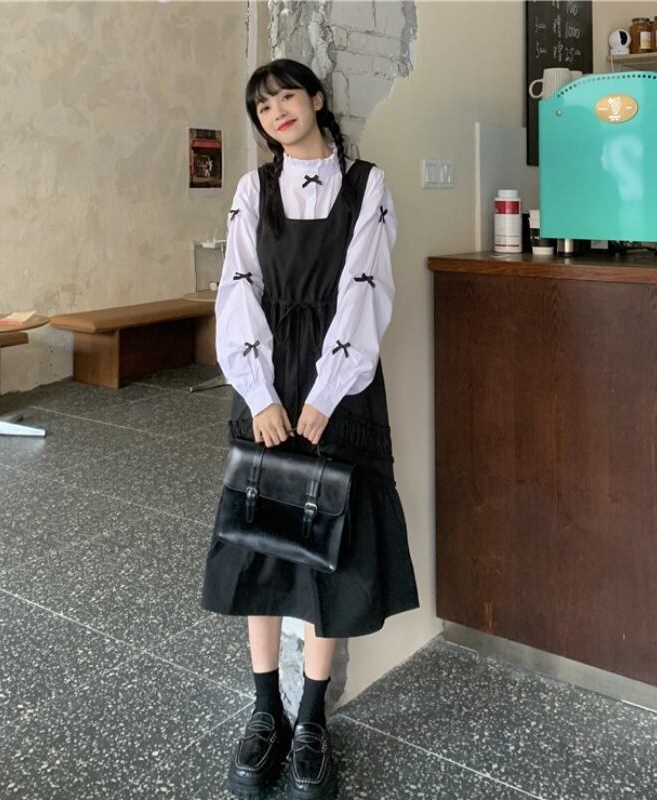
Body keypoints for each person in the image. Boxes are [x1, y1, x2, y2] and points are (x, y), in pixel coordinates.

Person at [200, 58, 419, 800]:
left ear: (317, 99)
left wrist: (327, 394)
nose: (276, 113)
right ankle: (266, 710)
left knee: (333, 548)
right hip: (265, 381)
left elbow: (366, 288)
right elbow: (237, 290)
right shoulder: (252, 188)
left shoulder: (368, 184)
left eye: (286, 96)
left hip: (340, 385)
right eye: (262, 107)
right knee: (259, 540)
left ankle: (313, 718)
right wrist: (259, 394)